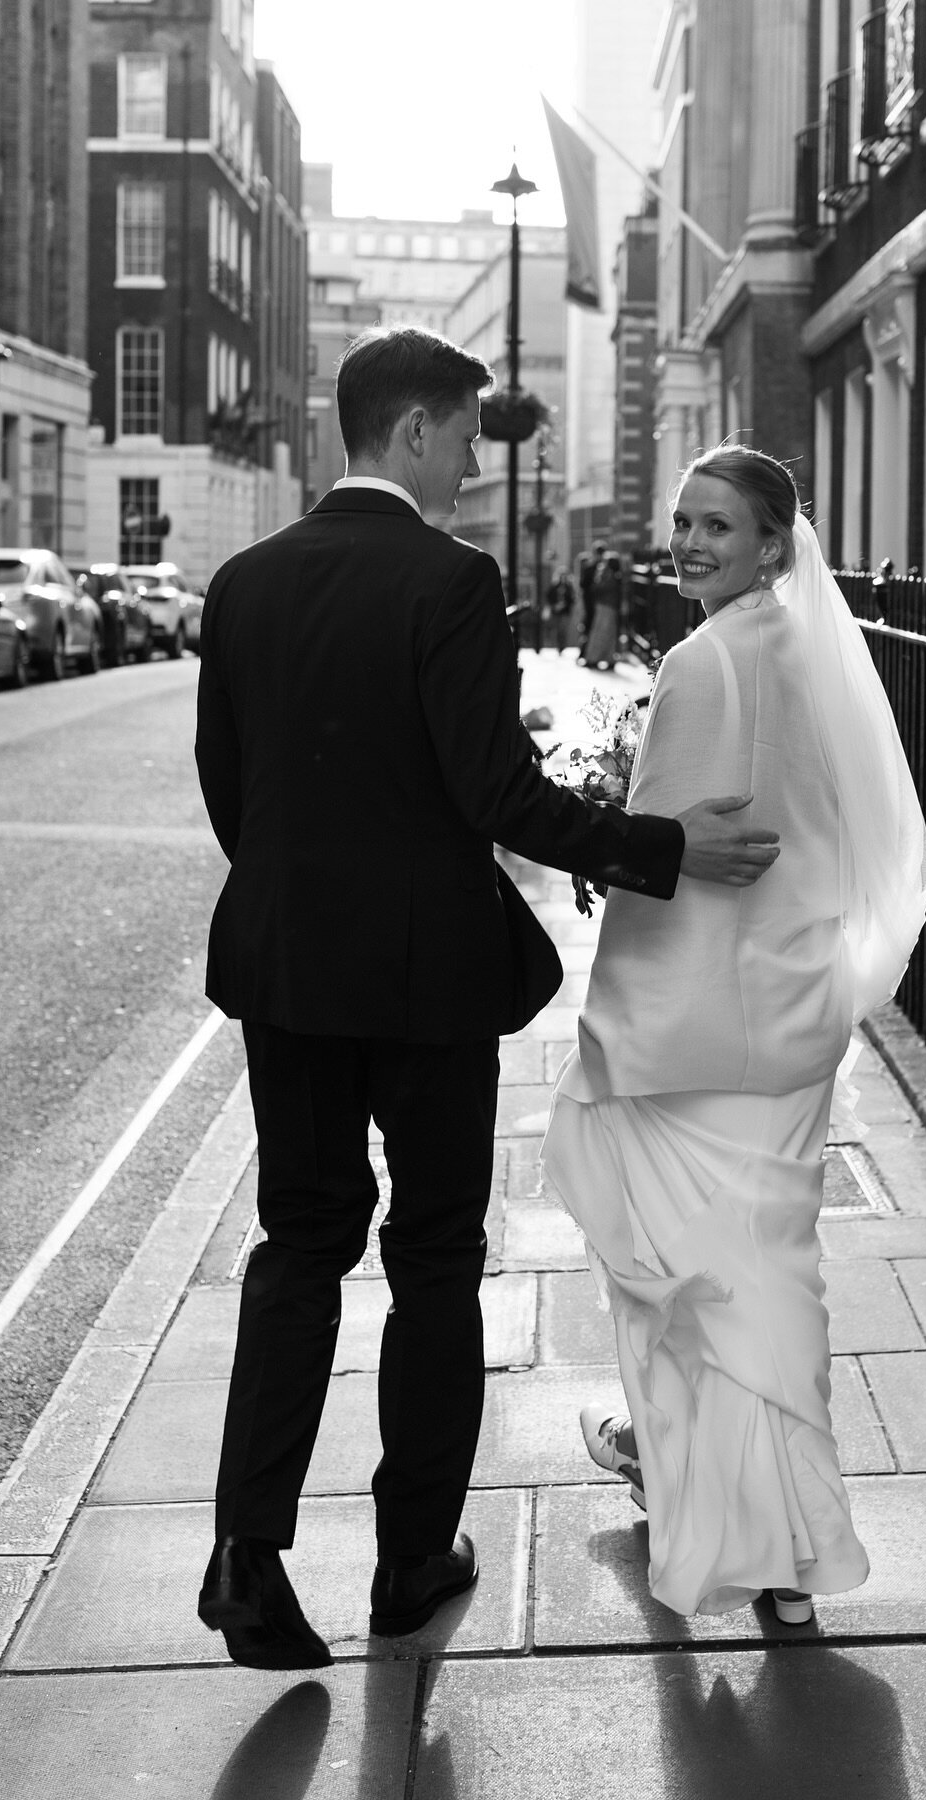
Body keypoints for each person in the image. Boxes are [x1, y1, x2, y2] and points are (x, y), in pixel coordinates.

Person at [192, 329, 785, 1670]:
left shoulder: (245, 581)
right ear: (413, 433)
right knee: (435, 1255)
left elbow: (232, 788)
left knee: (299, 1243)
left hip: (286, 969)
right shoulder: (451, 582)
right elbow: (493, 796)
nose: (476, 461)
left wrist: (307, 895)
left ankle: (247, 1552)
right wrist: (666, 850)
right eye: (466, 436)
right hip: (425, 982)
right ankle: (411, 1563)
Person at [541, 444, 926, 1623]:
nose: (691, 543)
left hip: (698, 1025)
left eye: (718, 526)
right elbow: (836, 837)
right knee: (772, 1274)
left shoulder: (702, 664)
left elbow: (671, 860)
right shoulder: (824, 658)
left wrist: (613, 1014)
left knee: (679, 1277)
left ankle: (704, 1497)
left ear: (774, 543)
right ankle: (793, 1553)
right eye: (682, 522)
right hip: (798, 1015)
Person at [581, 541, 622, 671]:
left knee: (600, 632)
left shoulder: (607, 573)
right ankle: (607, 658)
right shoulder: (612, 574)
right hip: (608, 605)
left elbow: (596, 588)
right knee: (607, 632)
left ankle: (595, 658)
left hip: (604, 605)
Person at [546, 564, 579, 653]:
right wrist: (555, 605)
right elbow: (549, 597)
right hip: (556, 611)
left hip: (565, 611)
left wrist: (565, 604)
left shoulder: (569, 587)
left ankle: (562, 646)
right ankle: (557, 646)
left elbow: (572, 599)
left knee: (563, 629)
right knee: (556, 630)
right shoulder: (554, 586)